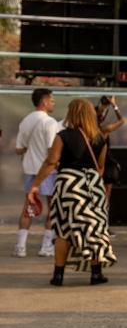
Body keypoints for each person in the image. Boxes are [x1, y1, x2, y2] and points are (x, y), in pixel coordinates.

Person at [26, 98, 116, 286]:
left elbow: (52, 162)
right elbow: (100, 167)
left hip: (68, 184)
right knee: (93, 228)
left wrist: (35, 185)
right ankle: (96, 273)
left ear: (72, 113)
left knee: (63, 230)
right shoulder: (100, 137)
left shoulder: (63, 136)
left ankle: (58, 275)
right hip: (92, 187)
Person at [14, 88, 59, 258]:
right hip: (47, 170)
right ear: (44, 101)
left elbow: (18, 149)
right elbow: (51, 150)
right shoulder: (50, 122)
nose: (53, 103)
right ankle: (46, 246)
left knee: (28, 207)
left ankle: (20, 246)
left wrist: (31, 148)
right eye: (52, 100)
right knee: (52, 207)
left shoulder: (25, 121)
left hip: (29, 169)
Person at [95, 95, 127, 208]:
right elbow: (122, 120)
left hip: (94, 165)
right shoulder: (105, 130)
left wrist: (102, 108)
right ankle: (104, 220)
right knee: (106, 196)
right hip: (106, 164)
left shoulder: (88, 131)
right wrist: (114, 106)